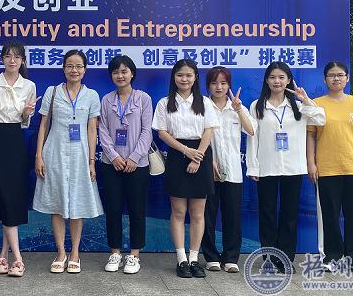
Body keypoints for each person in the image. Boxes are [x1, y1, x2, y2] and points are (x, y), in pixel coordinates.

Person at [246, 61, 325, 272]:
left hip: (293, 167)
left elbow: (321, 118)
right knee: (267, 214)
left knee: (290, 214)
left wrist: (305, 99)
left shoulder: (298, 106)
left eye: (281, 77)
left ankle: (286, 258)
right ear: (266, 80)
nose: (277, 81)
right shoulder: (257, 106)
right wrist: (253, 167)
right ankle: (269, 258)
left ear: (289, 80)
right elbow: (253, 138)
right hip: (267, 167)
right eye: (273, 77)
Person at [33, 50, 104, 274]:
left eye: (79, 66)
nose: (74, 70)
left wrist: (92, 161)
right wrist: (39, 155)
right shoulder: (52, 92)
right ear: (64, 68)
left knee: (77, 203)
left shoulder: (91, 95)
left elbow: (92, 129)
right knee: (56, 203)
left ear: (85, 69)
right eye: (70, 66)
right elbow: (44, 125)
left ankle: (74, 253)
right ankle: (61, 253)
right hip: (54, 152)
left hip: (80, 154)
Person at [152, 59, 219, 279]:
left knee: (198, 213)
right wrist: (185, 151)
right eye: (180, 75)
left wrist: (197, 156)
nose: (184, 79)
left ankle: (194, 259)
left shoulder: (205, 102)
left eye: (189, 75)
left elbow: (209, 130)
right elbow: (162, 133)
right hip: (177, 155)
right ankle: (181, 259)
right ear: (174, 77)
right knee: (179, 212)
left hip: (201, 154)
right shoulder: (164, 103)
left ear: (195, 78)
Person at [0, 41, 37, 277]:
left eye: (17, 57)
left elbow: (25, 123)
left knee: (11, 198)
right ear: (2, 59)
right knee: (3, 196)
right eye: (8, 56)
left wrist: (26, 114)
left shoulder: (29, 86)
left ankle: (3, 255)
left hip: (15, 141)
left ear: (22, 60)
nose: (12, 60)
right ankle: (18, 258)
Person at [306, 62, 353, 269]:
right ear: (325, 79)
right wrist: (311, 163)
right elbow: (310, 136)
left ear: (347, 78)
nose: (336, 78)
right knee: (330, 216)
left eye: (340, 75)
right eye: (331, 75)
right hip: (327, 168)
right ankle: (332, 257)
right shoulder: (317, 104)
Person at [97, 55, 153, 274]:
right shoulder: (106, 100)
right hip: (111, 164)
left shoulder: (143, 99)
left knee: (137, 209)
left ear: (132, 73)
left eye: (124, 71)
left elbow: (147, 131)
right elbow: (102, 130)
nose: (120, 76)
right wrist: (113, 156)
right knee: (113, 209)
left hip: (137, 165)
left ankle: (134, 255)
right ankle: (115, 252)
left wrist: (134, 158)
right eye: (116, 72)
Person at [201, 66, 254, 273]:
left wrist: (239, 109)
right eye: (214, 83)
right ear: (208, 86)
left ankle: (231, 257)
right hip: (208, 171)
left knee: (232, 216)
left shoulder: (237, 107)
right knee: (207, 215)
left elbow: (251, 130)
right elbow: (197, 136)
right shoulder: (202, 106)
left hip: (232, 171)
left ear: (229, 85)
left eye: (223, 83)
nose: (219, 87)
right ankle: (211, 257)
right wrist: (208, 160)